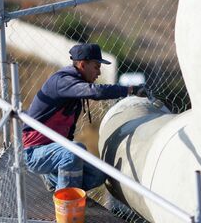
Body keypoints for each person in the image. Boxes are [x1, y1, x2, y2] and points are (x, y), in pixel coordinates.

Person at [22, 43, 146, 192]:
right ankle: (66, 203)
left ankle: (53, 179)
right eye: (96, 66)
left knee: (98, 175)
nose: (99, 73)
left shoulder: (74, 87)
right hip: (34, 152)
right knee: (75, 150)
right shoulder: (62, 81)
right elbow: (96, 92)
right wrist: (129, 89)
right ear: (82, 64)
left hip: (54, 151)